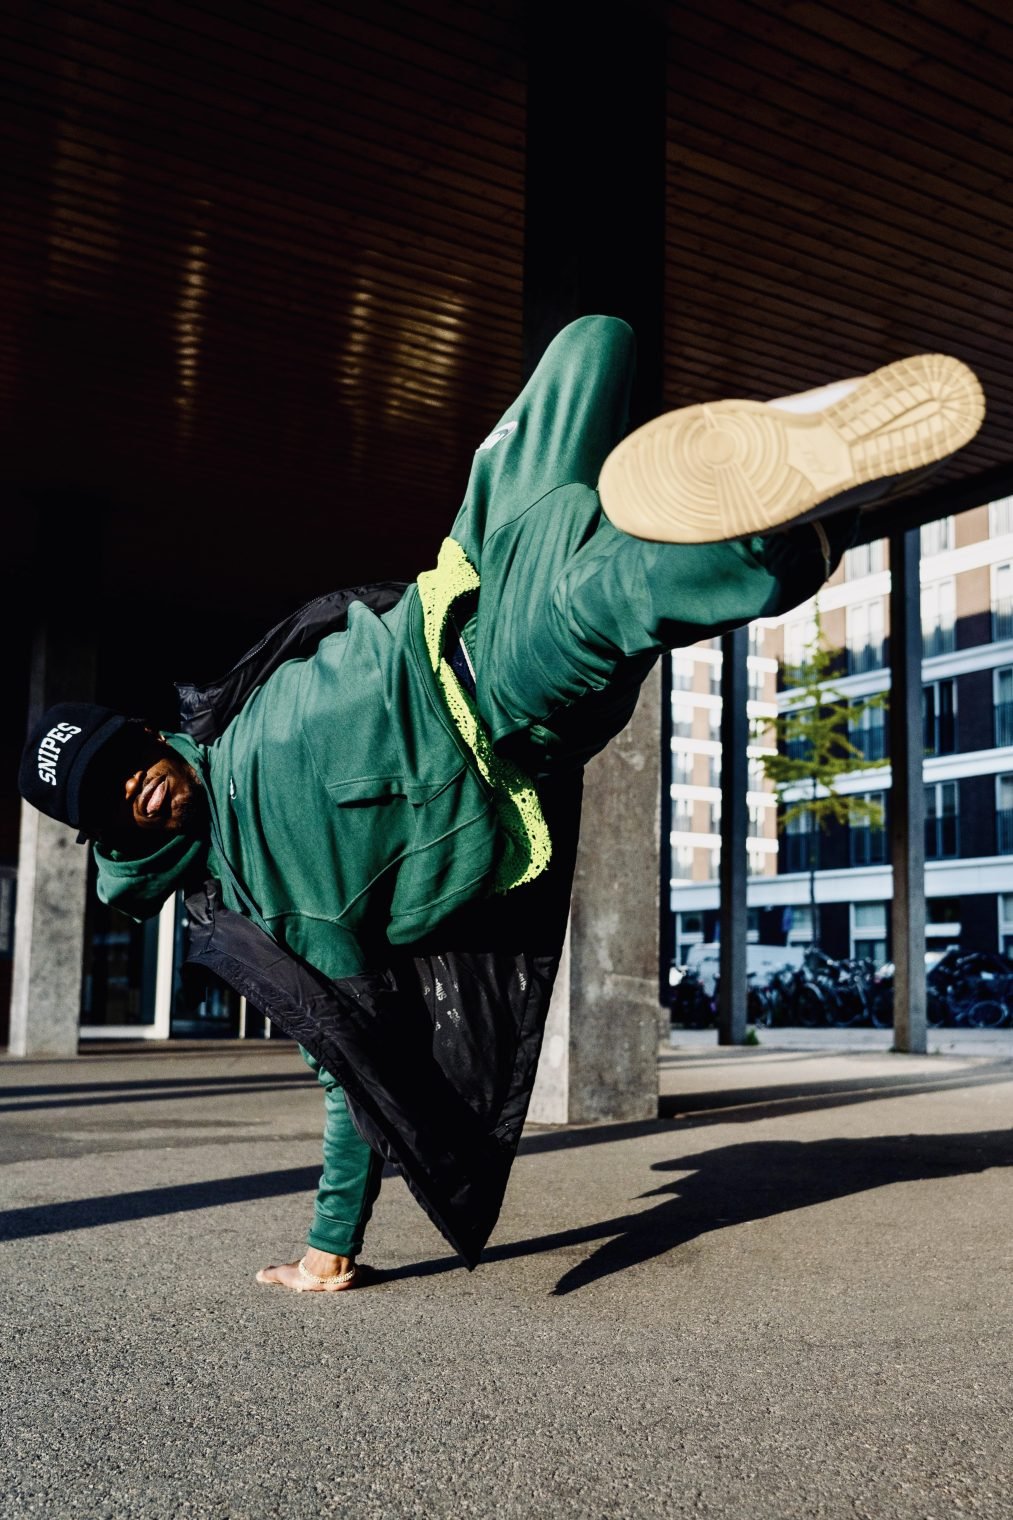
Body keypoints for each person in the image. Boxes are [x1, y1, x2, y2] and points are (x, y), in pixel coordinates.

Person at [18, 318, 983, 1293]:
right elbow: (352, 1068)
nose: (135, 787)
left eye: (124, 759)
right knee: (612, 593)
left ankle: (783, 484)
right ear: (114, 835)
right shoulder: (266, 910)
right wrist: (328, 1244)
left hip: (466, 572)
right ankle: (793, 527)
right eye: (114, 802)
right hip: (500, 696)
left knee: (590, 347)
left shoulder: (227, 713)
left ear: (146, 734)